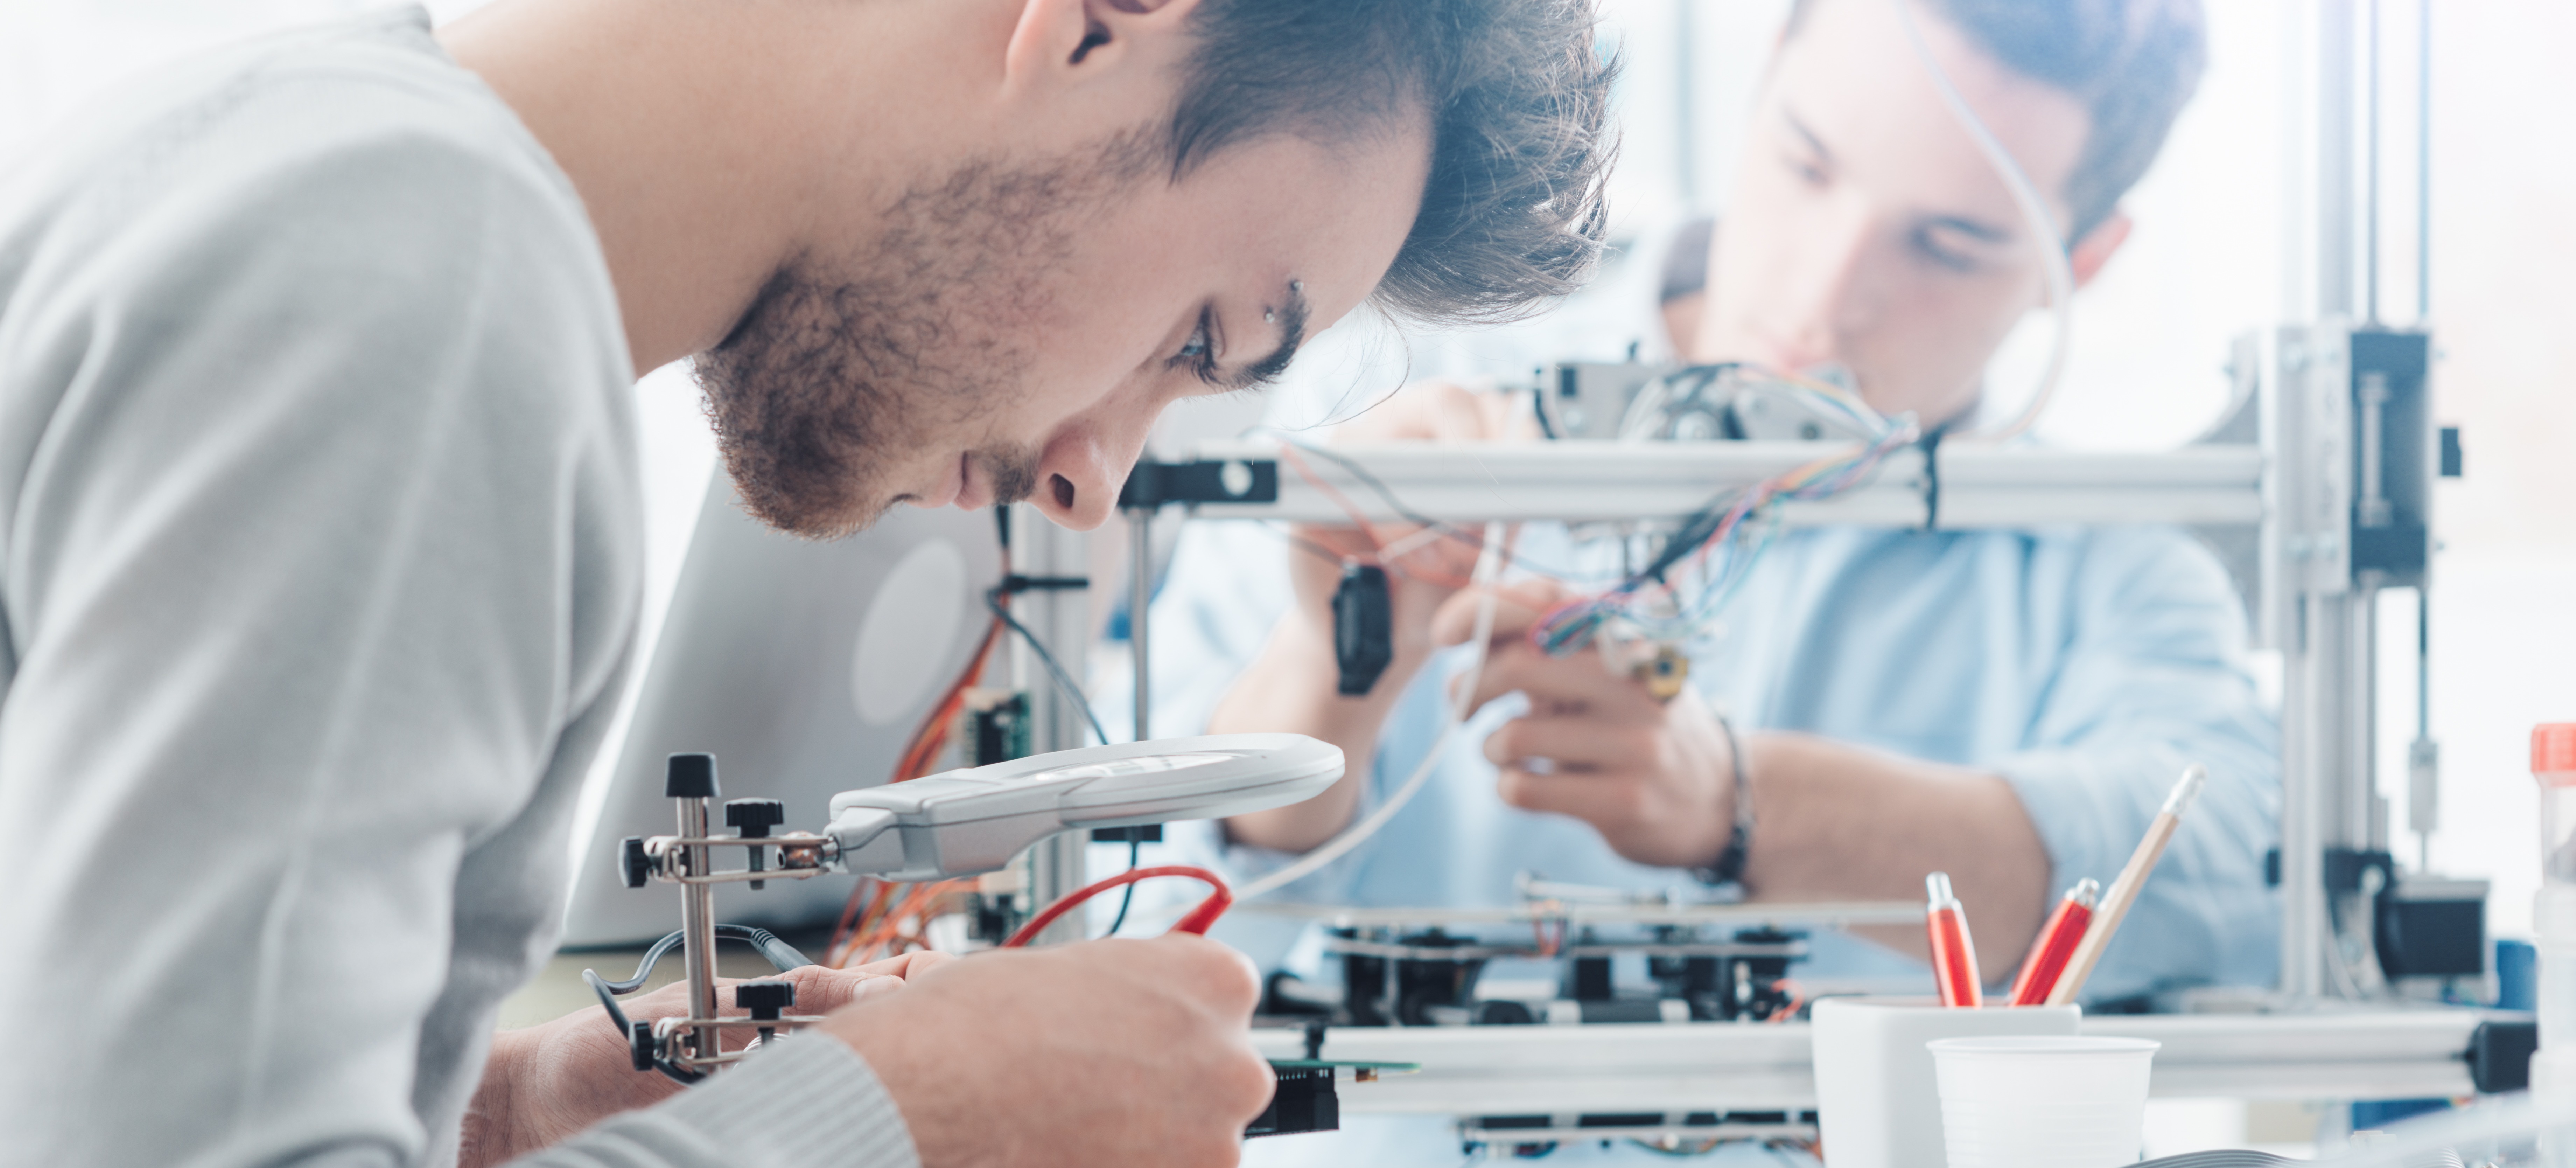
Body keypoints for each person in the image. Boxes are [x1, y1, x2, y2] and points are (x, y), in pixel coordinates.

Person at [0, 0, 1615, 1164]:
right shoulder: (414, 292)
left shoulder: (333, 159)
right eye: (1200, 340)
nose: (1090, 480)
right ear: (1093, 26)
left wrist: (511, 1115)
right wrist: (892, 1123)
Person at [1146, 0, 2270, 1037]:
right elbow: (1120, 904)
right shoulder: (1397, 401)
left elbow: (2235, 882)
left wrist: (1738, 802)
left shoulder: (2108, 560)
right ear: (1764, 78)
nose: (1825, 297)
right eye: (1808, 165)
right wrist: (1332, 668)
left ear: (2083, 262)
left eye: (1948, 244)